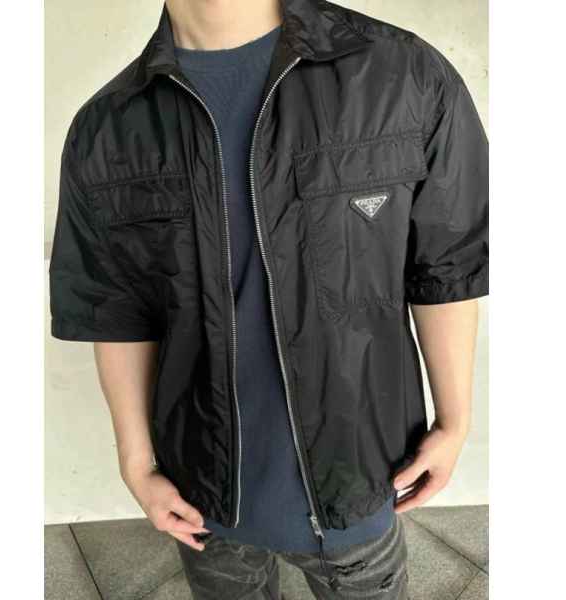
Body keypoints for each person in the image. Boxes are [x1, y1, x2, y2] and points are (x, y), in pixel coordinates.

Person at [48, 0, 488, 598]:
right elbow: (115, 311)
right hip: (203, 497)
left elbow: (446, 266)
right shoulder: (108, 126)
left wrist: (455, 420)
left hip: (362, 474)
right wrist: (136, 461)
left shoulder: (399, 73)